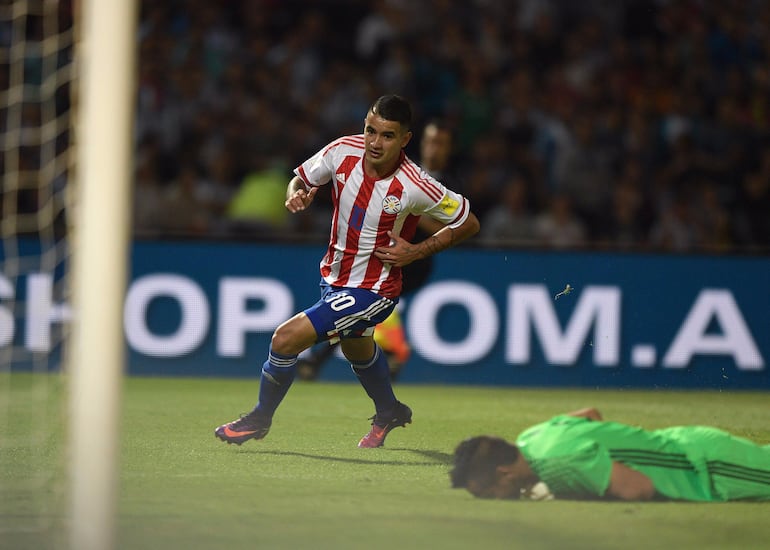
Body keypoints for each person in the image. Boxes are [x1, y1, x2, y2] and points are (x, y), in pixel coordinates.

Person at [215, 95, 480, 448]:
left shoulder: (416, 183)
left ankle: (259, 419)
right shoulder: (343, 151)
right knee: (357, 348)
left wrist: (417, 250)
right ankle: (389, 410)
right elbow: (301, 179)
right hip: (334, 279)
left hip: (375, 290)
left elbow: (468, 223)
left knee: (285, 339)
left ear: (404, 139)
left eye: (387, 135)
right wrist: (297, 194)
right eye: (371, 130)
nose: (374, 142)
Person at [295, 118, 456, 382]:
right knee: (357, 310)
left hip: (414, 259)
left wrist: (412, 211)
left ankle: (387, 351)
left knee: (362, 302)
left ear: (449, 149)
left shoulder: (447, 183)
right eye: (429, 141)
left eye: (440, 143)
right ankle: (386, 354)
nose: (433, 148)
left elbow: (452, 223)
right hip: (376, 253)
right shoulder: (404, 168)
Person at [450, 407, 770, 501]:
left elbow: (638, 488)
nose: (493, 500)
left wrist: (571, 487)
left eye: (488, 493)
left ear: (503, 473)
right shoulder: (533, 437)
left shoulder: (560, 465)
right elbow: (590, 414)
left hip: (708, 467)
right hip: (689, 443)